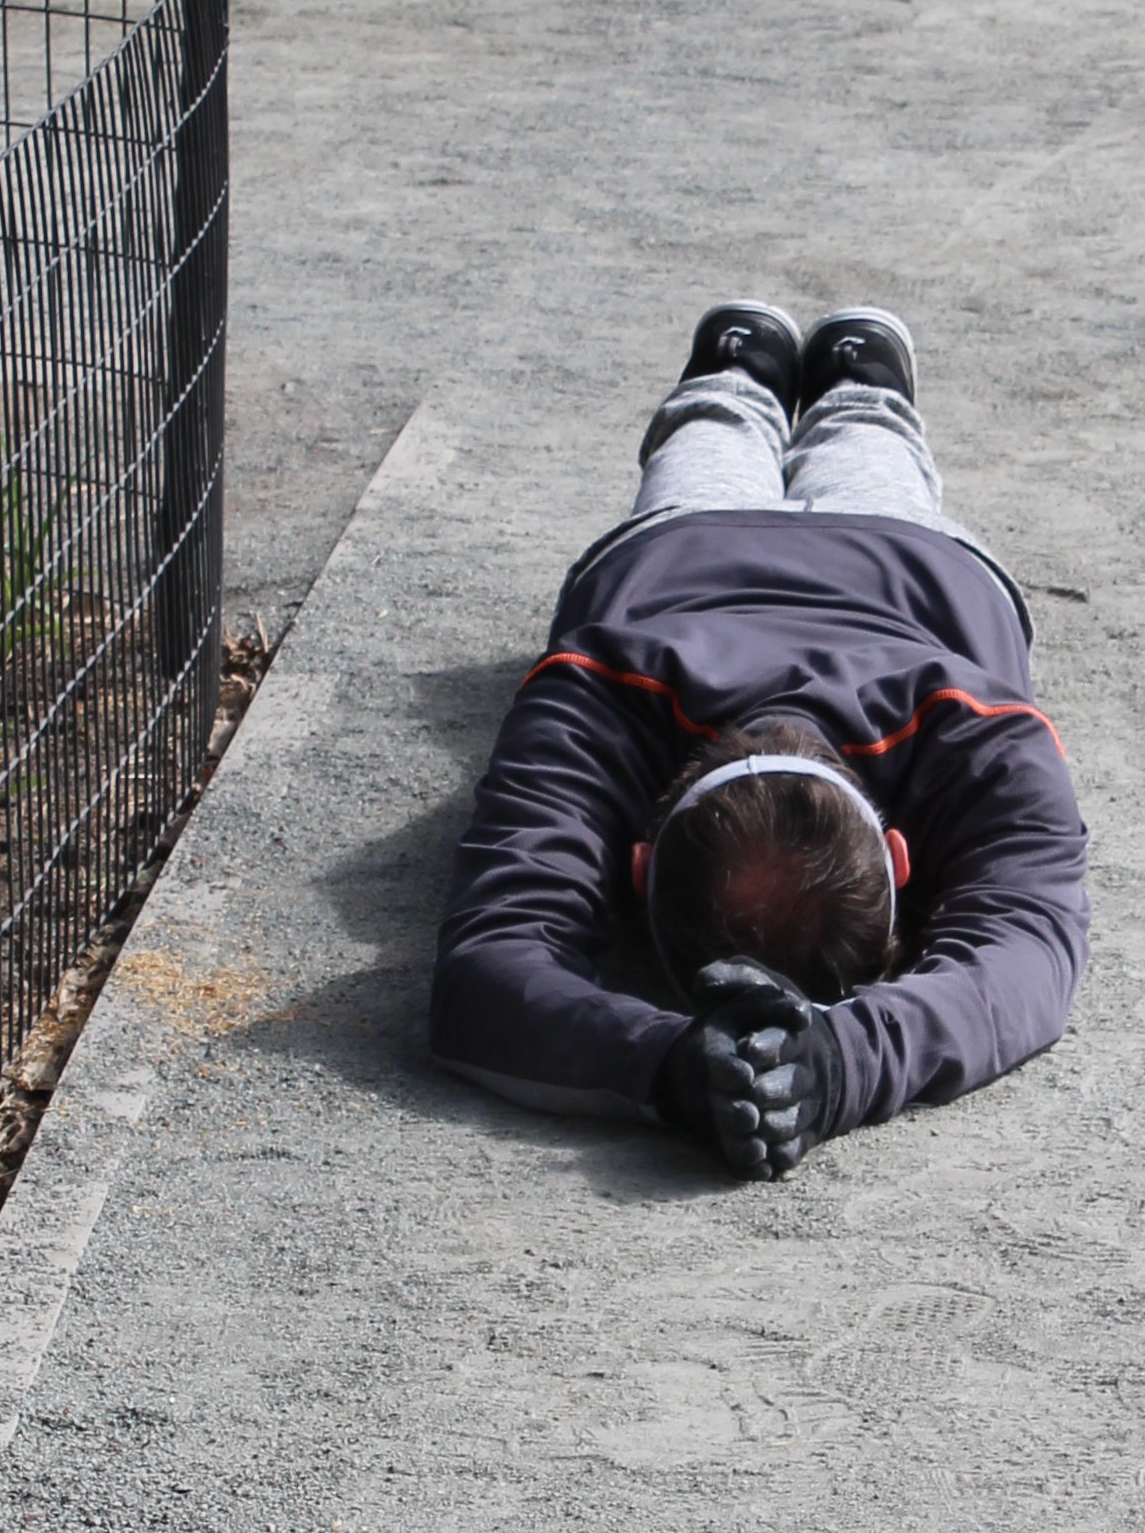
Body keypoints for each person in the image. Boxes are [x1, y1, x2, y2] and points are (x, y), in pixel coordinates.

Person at [430, 301, 1090, 1182]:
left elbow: (488, 976)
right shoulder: (593, 696)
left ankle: (824, 374)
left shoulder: (979, 725)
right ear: (897, 861)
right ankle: (758, 370)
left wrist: (672, 1064)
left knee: (860, 446)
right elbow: (1026, 963)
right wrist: (834, 1065)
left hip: (902, 567)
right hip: (700, 553)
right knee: (727, 435)